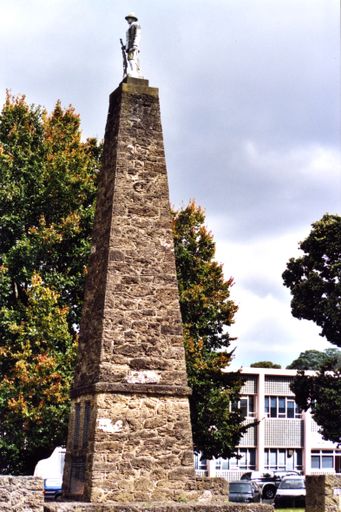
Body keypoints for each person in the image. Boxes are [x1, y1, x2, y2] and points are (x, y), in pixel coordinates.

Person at [124, 12, 141, 78]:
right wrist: (125, 46)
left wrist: (135, 45)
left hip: (133, 45)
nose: (128, 20)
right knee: (131, 58)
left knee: (132, 58)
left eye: (129, 19)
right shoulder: (131, 26)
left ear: (132, 19)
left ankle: (134, 71)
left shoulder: (135, 25)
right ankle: (135, 71)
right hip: (130, 46)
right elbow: (129, 39)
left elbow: (137, 35)